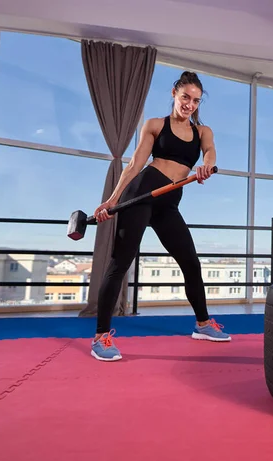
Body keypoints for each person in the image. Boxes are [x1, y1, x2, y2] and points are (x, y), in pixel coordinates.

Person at [90, 71, 231, 362]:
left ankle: (203, 324)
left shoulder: (203, 132)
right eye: (185, 97)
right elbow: (134, 165)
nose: (189, 104)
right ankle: (100, 337)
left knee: (191, 262)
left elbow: (210, 153)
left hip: (168, 203)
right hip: (141, 194)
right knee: (120, 263)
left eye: (195, 100)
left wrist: (206, 165)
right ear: (174, 94)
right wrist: (113, 199)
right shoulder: (155, 125)